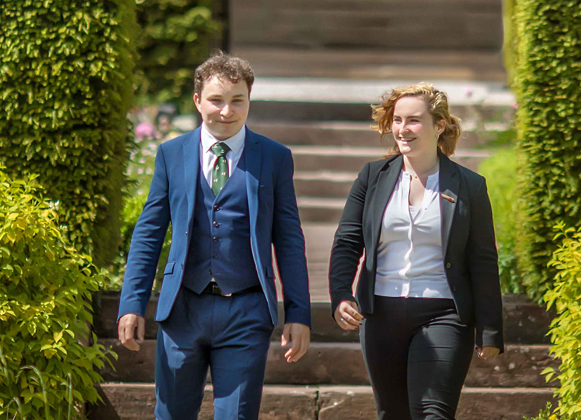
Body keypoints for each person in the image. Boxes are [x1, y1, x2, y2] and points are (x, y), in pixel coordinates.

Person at [116, 53, 314, 420]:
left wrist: (298, 312)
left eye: (237, 100)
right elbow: (148, 232)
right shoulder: (171, 154)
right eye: (216, 100)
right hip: (182, 308)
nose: (227, 111)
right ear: (197, 101)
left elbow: (289, 239)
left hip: (246, 310)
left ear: (249, 99)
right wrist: (132, 303)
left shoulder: (274, 157)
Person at [326, 83, 504, 419]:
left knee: (433, 412)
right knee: (393, 413)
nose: (402, 129)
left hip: (445, 313)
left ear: (439, 125)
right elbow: (348, 241)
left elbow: (482, 259)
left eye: (414, 120)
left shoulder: (469, 185)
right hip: (381, 313)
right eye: (397, 120)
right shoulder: (371, 177)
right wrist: (341, 295)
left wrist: (490, 328)